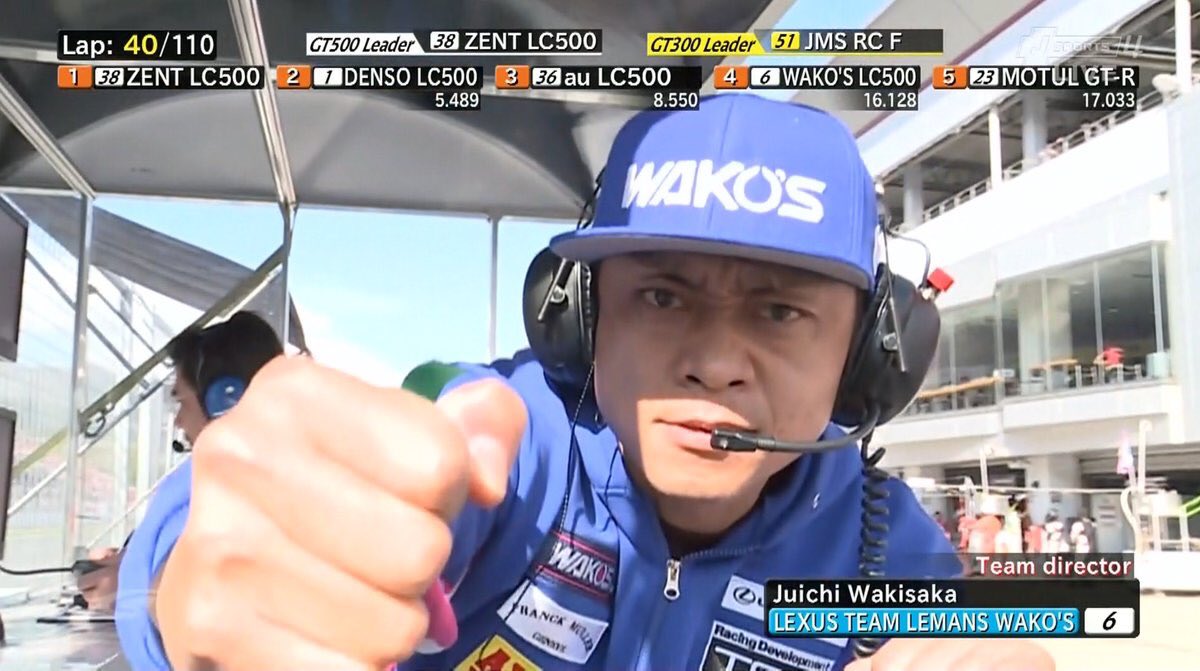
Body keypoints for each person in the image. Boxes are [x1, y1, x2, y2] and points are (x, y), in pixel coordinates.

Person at [121, 96, 1052, 670]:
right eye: (662, 295)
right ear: (577, 318)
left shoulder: (891, 548)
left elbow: (987, 639)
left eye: (778, 311)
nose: (714, 360)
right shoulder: (504, 450)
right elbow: (280, 506)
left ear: (870, 355)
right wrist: (189, 576)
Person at [112, 312, 283, 641]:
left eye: (182, 401)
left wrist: (134, 590)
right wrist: (128, 574)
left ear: (226, 401)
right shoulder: (251, 481)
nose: (179, 421)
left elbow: (188, 604)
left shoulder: (239, 492)